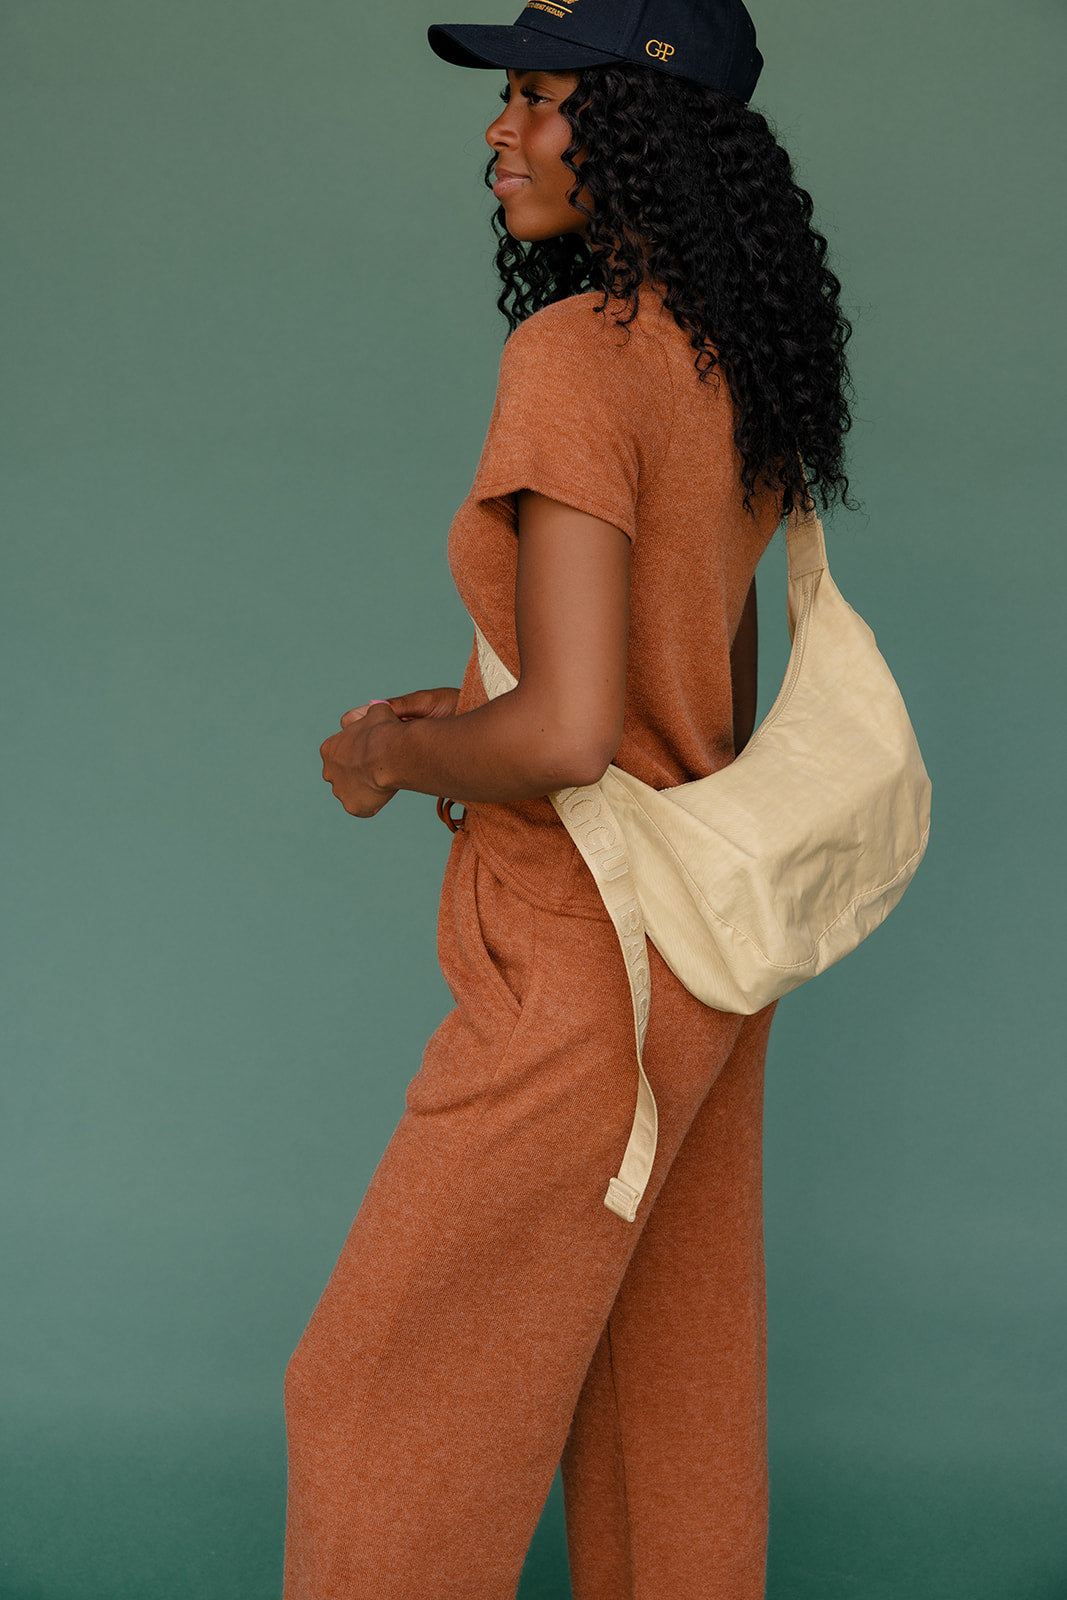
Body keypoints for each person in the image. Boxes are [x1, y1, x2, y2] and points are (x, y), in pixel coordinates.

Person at [284, 1, 856, 1594]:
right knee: (662, 1423)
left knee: (372, 1408)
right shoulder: (733, 357)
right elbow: (697, 714)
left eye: (537, 97)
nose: (500, 130)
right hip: (705, 963)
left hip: (575, 969)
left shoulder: (571, 354)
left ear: (638, 126)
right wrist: (468, 701)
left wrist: (392, 759)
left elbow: (570, 736)